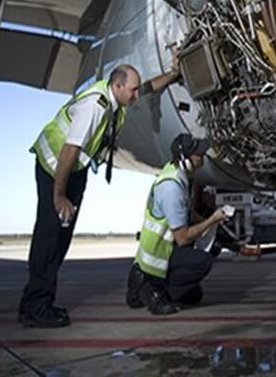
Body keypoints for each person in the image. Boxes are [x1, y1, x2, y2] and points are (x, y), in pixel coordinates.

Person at [18, 64, 179, 328]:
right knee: (50, 238)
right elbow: (70, 149)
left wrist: (172, 74)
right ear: (117, 86)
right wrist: (59, 195)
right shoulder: (95, 106)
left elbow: (148, 87)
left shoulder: (119, 97)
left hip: (74, 170)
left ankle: (36, 301)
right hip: (55, 168)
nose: (137, 95)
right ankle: (36, 307)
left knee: (60, 239)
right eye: (133, 90)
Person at [126, 134, 228, 315]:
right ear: (185, 160)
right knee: (203, 262)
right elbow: (182, 238)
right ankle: (154, 292)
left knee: (194, 295)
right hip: (158, 255)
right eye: (198, 155)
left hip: (163, 249)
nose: (202, 158)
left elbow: (187, 212)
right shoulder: (171, 188)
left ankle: (144, 282)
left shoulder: (175, 174)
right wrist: (211, 220)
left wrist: (211, 222)